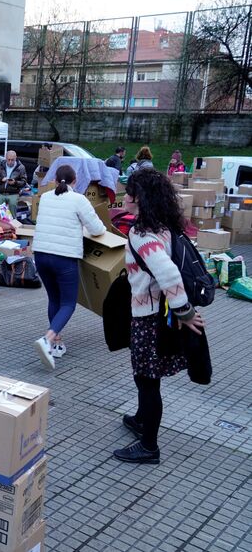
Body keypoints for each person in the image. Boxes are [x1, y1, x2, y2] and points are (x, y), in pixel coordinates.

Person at [114, 168, 205, 465]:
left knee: (147, 381)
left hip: (149, 318)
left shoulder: (141, 234)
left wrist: (186, 312)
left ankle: (149, 446)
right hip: (157, 314)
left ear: (138, 198)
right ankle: (141, 419)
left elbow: (168, 272)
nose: (124, 196)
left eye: (129, 192)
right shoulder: (162, 226)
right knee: (147, 378)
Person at [31, 164, 106, 370]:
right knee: (68, 303)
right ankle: (47, 339)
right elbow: (97, 229)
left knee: (54, 299)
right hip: (64, 258)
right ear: (75, 182)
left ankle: (56, 344)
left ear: (56, 180)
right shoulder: (79, 199)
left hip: (41, 255)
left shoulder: (45, 197)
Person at [0, 150, 27, 216]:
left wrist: (15, 182)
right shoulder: (0, 165)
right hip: (1, 192)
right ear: (5, 158)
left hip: (13, 193)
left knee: (12, 206)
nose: (10, 162)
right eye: (8, 160)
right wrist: (1, 180)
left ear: (16, 158)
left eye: (12, 160)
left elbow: (24, 182)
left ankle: (13, 223)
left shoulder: (21, 167)